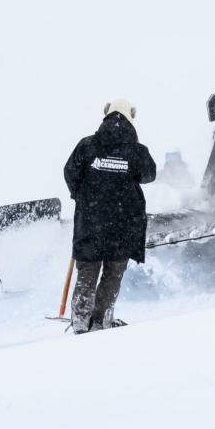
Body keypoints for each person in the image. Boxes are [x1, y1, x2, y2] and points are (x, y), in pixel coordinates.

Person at [63, 98, 156, 334]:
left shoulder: (86, 146)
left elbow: (70, 172)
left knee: (88, 270)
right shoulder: (137, 151)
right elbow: (149, 175)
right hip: (123, 224)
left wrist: (81, 195)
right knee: (113, 273)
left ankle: (81, 322)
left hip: (89, 221)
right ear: (131, 117)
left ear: (105, 114)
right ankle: (101, 321)